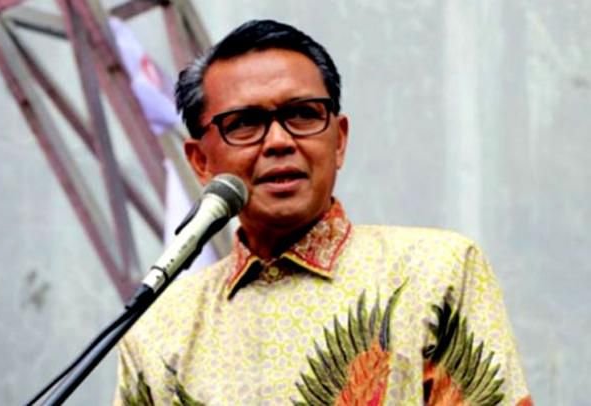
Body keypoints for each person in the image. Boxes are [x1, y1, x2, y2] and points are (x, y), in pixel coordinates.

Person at [115, 19, 532, 405]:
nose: (278, 141)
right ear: (201, 162)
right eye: (244, 122)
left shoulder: (435, 272)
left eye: (302, 114)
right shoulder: (159, 327)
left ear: (340, 141)